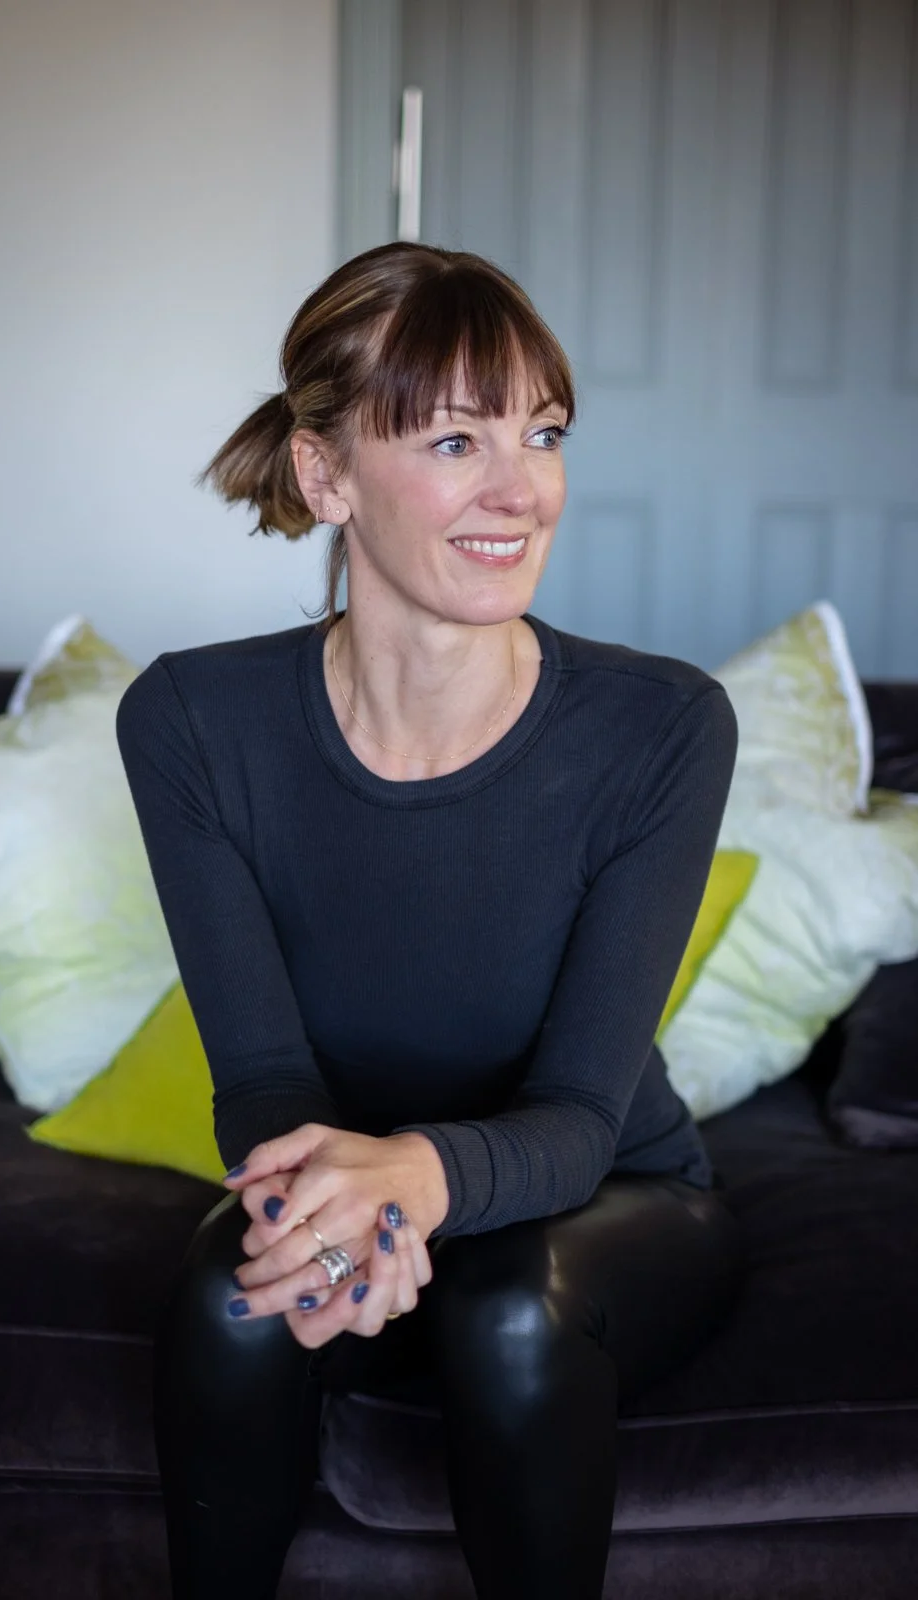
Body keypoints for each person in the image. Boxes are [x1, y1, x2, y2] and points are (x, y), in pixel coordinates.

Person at [115, 241, 749, 1600]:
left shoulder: (660, 728)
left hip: (608, 1197)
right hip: (349, 1187)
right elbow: (266, 1080)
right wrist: (324, 1209)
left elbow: (582, 1116)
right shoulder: (188, 722)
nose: (522, 490)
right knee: (233, 1302)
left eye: (542, 433)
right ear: (325, 474)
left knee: (506, 1313)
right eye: (456, 439)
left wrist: (411, 1182)